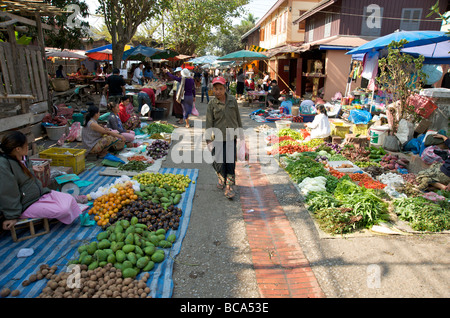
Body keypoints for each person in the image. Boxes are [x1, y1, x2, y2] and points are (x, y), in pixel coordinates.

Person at [0, 131, 82, 230]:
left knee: (70, 199)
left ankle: (50, 211)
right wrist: (12, 216)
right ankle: (40, 213)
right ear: (17, 149)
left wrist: (31, 168)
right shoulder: (4, 165)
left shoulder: (23, 158)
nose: (28, 147)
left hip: (41, 194)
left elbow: (23, 172)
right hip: (26, 204)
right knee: (63, 209)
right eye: (26, 146)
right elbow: (8, 192)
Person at [205, 76, 243, 200]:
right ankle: (221, 178)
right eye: (216, 89)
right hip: (218, 137)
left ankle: (229, 186)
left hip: (231, 136)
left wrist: (241, 135)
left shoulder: (232, 100)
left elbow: (238, 118)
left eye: (220, 89)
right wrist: (208, 141)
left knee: (230, 162)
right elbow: (209, 123)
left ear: (225, 88)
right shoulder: (211, 104)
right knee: (219, 162)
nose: (218, 91)